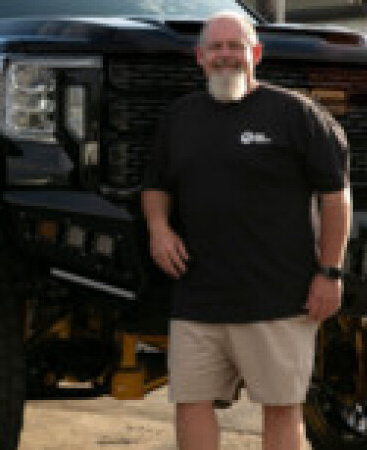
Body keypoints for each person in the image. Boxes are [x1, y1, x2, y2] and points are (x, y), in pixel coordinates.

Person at [141, 12, 352, 450]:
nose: (225, 55)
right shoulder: (179, 118)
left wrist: (330, 272)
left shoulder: (296, 114)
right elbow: (156, 186)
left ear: (255, 53)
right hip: (198, 297)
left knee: (281, 409)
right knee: (190, 404)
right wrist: (159, 229)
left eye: (235, 46)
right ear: (200, 57)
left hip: (279, 300)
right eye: (215, 47)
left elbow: (336, 198)